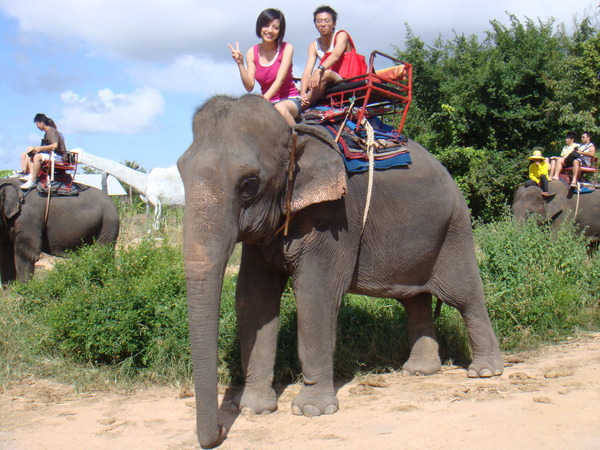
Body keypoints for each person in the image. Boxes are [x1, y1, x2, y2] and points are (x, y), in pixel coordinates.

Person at [227, 8, 301, 127]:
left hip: (289, 100)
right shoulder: (252, 52)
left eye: (275, 27)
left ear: (280, 31)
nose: (270, 31)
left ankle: (297, 141)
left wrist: (266, 98)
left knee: (279, 109)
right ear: (260, 27)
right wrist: (240, 63)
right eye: (266, 25)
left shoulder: (286, 48)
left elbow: (280, 79)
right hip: (266, 103)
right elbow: (250, 86)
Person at [299, 5, 355, 107]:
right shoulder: (314, 45)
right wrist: (302, 92)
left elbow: (335, 56)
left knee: (326, 73)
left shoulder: (341, 35)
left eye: (327, 21)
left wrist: (318, 70)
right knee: (301, 83)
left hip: (344, 80)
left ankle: (304, 104)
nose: (323, 24)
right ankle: (302, 98)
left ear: (334, 24)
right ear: (315, 24)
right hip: (326, 82)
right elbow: (307, 72)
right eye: (319, 21)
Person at [20, 113, 66, 189]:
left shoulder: (52, 131)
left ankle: (33, 180)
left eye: (37, 124)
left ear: (42, 123)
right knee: (30, 150)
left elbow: (55, 146)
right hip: (51, 155)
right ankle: (31, 173)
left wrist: (40, 148)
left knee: (37, 157)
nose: (37, 126)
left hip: (59, 157)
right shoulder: (46, 134)